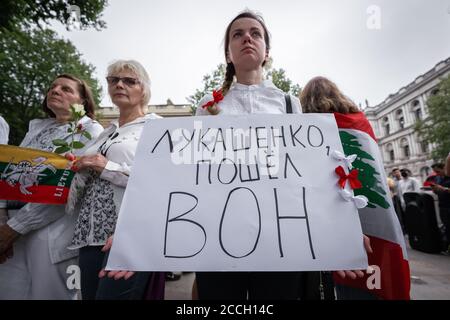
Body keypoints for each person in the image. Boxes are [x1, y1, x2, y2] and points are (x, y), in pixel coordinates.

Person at [0, 74, 104, 299]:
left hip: (50, 234)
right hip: (12, 228)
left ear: (83, 101)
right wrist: (3, 223)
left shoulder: (90, 132)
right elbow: (11, 178)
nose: (55, 91)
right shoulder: (36, 129)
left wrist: (13, 229)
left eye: (66, 89)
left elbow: (68, 189)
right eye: (53, 87)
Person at [66, 60, 164, 300]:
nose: (120, 84)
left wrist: (104, 166)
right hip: (90, 233)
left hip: (128, 231)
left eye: (129, 81)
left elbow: (160, 182)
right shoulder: (105, 132)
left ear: (144, 90)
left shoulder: (157, 127)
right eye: (114, 80)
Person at [300, 76, 376, 299]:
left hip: (333, 214)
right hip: (373, 215)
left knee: (341, 274)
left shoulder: (310, 130)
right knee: (369, 275)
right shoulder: (361, 123)